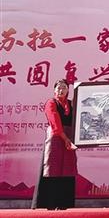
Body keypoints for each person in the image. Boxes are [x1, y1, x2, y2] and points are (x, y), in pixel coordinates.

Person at [31, 79, 78, 210]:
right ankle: (50, 203)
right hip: (55, 138)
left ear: (68, 90)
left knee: (67, 169)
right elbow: (55, 122)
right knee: (52, 169)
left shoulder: (71, 104)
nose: (61, 90)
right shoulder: (51, 103)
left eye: (64, 88)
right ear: (54, 90)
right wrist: (65, 139)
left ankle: (64, 204)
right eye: (58, 88)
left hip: (69, 139)